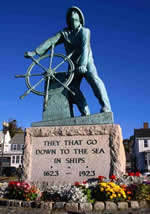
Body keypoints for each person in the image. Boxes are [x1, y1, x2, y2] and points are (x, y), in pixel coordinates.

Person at [25, 6, 112, 115]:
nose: (73, 13)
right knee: (71, 87)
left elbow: (85, 48)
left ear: (80, 18)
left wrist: (83, 65)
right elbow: (51, 41)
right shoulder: (64, 33)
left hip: (86, 62)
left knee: (94, 79)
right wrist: (35, 52)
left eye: (75, 12)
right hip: (73, 65)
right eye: (71, 12)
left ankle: (106, 107)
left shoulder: (84, 31)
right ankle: (85, 112)